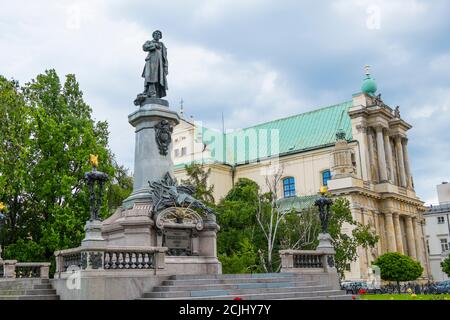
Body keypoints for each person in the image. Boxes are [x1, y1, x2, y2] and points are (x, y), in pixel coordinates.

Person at [141, 30, 168, 98]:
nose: (157, 35)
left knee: (158, 79)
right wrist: (154, 45)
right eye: (156, 34)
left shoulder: (162, 45)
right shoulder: (149, 42)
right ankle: (151, 92)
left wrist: (166, 67)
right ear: (153, 35)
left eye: (159, 34)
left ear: (160, 36)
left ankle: (157, 94)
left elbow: (165, 57)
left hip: (160, 64)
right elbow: (144, 47)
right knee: (151, 77)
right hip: (151, 62)